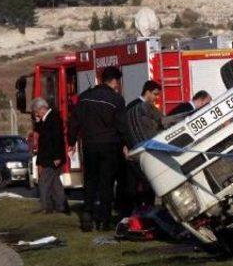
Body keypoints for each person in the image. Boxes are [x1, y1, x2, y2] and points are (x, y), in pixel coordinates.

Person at [68, 66, 129, 232]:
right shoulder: (116, 99)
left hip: (89, 145)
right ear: (114, 81)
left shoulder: (84, 97)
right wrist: (126, 144)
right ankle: (105, 220)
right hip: (110, 146)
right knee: (106, 184)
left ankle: (87, 214)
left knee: (90, 180)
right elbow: (122, 126)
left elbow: (74, 121)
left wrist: (71, 141)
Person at [121, 80, 163, 214]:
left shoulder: (151, 109)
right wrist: (125, 146)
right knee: (132, 185)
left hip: (146, 152)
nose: (156, 98)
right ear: (147, 92)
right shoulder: (133, 108)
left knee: (148, 183)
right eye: (155, 94)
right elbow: (123, 128)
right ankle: (131, 212)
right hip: (133, 152)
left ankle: (146, 210)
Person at [31, 97, 68, 214]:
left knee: (44, 181)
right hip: (48, 156)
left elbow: (57, 138)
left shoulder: (54, 117)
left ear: (41, 109)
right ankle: (60, 206)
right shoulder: (45, 119)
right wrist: (37, 121)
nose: (36, 114)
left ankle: (46, 206)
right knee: (55, 183)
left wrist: (57, 156)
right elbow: (40, 131)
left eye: (36, 112)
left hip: (53, 156)